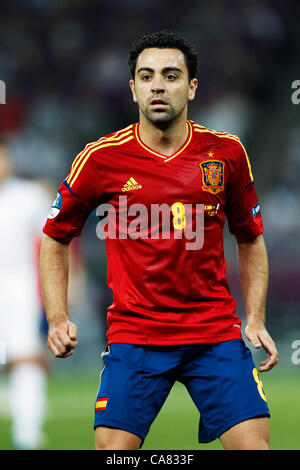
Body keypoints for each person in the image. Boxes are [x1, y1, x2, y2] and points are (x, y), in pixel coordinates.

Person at [40, 30, 279, 450]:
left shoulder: (226, 153)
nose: (158, 85)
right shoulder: (100, 158)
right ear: (133, 89)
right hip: (136, 336)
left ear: (192, 86)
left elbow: (251, 237)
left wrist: (255, 318)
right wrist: (58, 317)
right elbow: (55, 237)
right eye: (146, 76)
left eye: (171, 75)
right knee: (113, 452)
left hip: (213, 332)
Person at [0, 139, 51, 449]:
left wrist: (57, 289)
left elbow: (50, 245)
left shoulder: (29, 196)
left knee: (26, 359)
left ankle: (27, 433)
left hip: (19, 291)